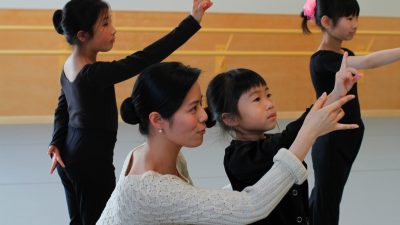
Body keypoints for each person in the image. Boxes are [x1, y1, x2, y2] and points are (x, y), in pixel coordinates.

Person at [96, 61, 358, 225]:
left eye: (200, 104)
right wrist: (307, 135)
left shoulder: (153, 155)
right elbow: (250, 207)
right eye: (192, 108)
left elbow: (185, 206)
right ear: (158, 120)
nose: (203, 115)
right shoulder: (148, 188)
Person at [47, 0, 212, 224]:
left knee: (78, 219)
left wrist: (56, 142)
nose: (113, 29)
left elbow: (62, 107)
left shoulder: (70, 65)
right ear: (83, 35)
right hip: (91, 160)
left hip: (69, 153)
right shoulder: (92, 74)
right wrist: (191, 22)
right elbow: (145, 58)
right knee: (100, 219)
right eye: (105, 24)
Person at [205, 51, 360, 225]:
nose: (269, 104)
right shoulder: (238, 158)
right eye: (257, 99)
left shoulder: (272, 141)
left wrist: (337, 93)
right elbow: (295, 133)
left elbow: (294, 132)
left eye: (268, 95)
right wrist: (332, 97)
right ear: (230, 118)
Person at [300, 0, 400, 224]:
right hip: (332, 139)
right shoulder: (323, 60)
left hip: (349, 136)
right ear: (326, 22)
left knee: (326, 195)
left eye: (356, 17)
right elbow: (370, 61)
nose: (355, 24)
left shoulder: (344, 53)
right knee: (328, 200)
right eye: (349, 18)